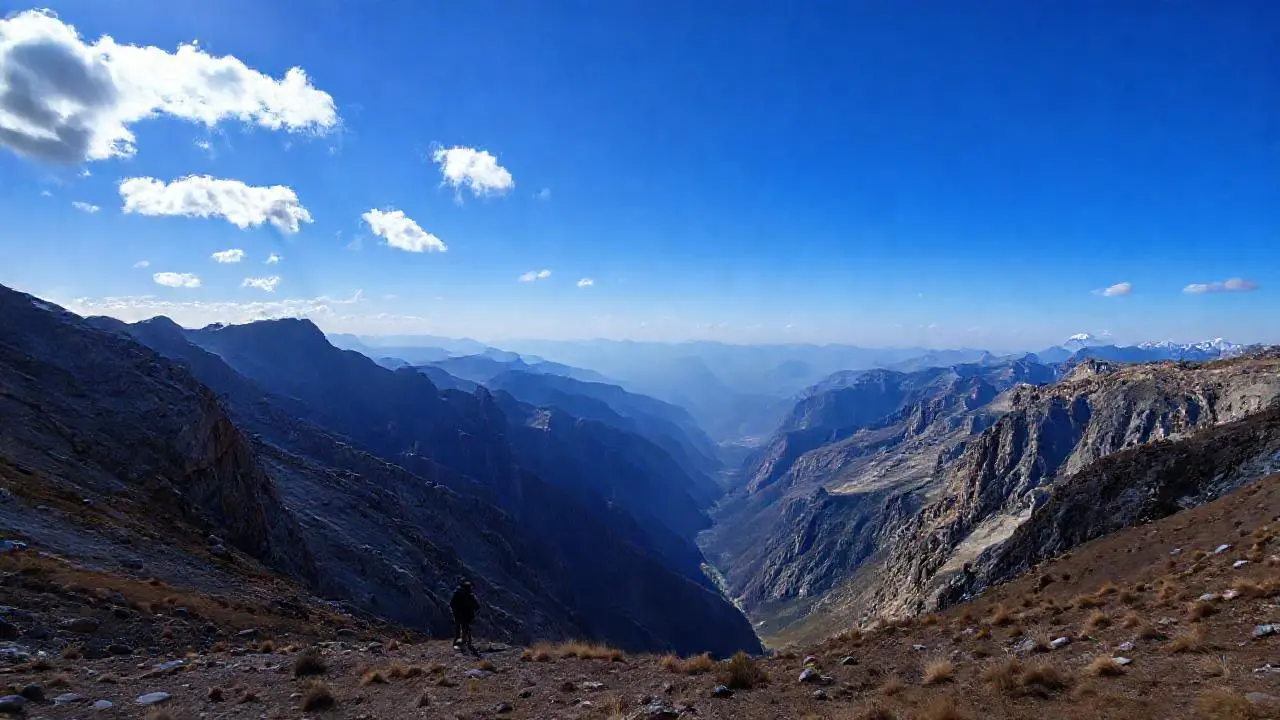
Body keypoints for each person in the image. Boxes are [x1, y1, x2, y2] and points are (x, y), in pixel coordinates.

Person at [450, 579, 480, 650]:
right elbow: (477, 606)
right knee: (466, 629)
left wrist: (455, 611)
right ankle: (467, 643)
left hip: (458, 615)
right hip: (467, 616)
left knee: (458, 629)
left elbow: (452, 604)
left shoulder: (457, 594)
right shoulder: (470, 595)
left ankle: (457, 644)